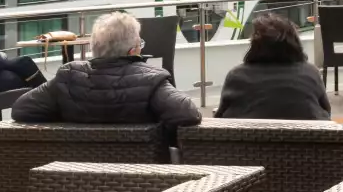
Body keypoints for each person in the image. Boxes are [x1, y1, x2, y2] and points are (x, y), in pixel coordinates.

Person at [12, 11, 201, 142]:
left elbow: (22, 109)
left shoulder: (68, 77)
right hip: (143, 173)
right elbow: (187, 114)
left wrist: (69, 118)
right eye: (140, 43)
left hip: (75, 174)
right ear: (133, 50)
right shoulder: (152, 80)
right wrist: (160, 135)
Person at [214, 13, 331, 120]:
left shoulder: (236, 76)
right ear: (294, 43)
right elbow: (326, 111)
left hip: (251, 136)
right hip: (306, 136)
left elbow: (220, 117)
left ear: (254, 44)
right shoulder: (311, 73)